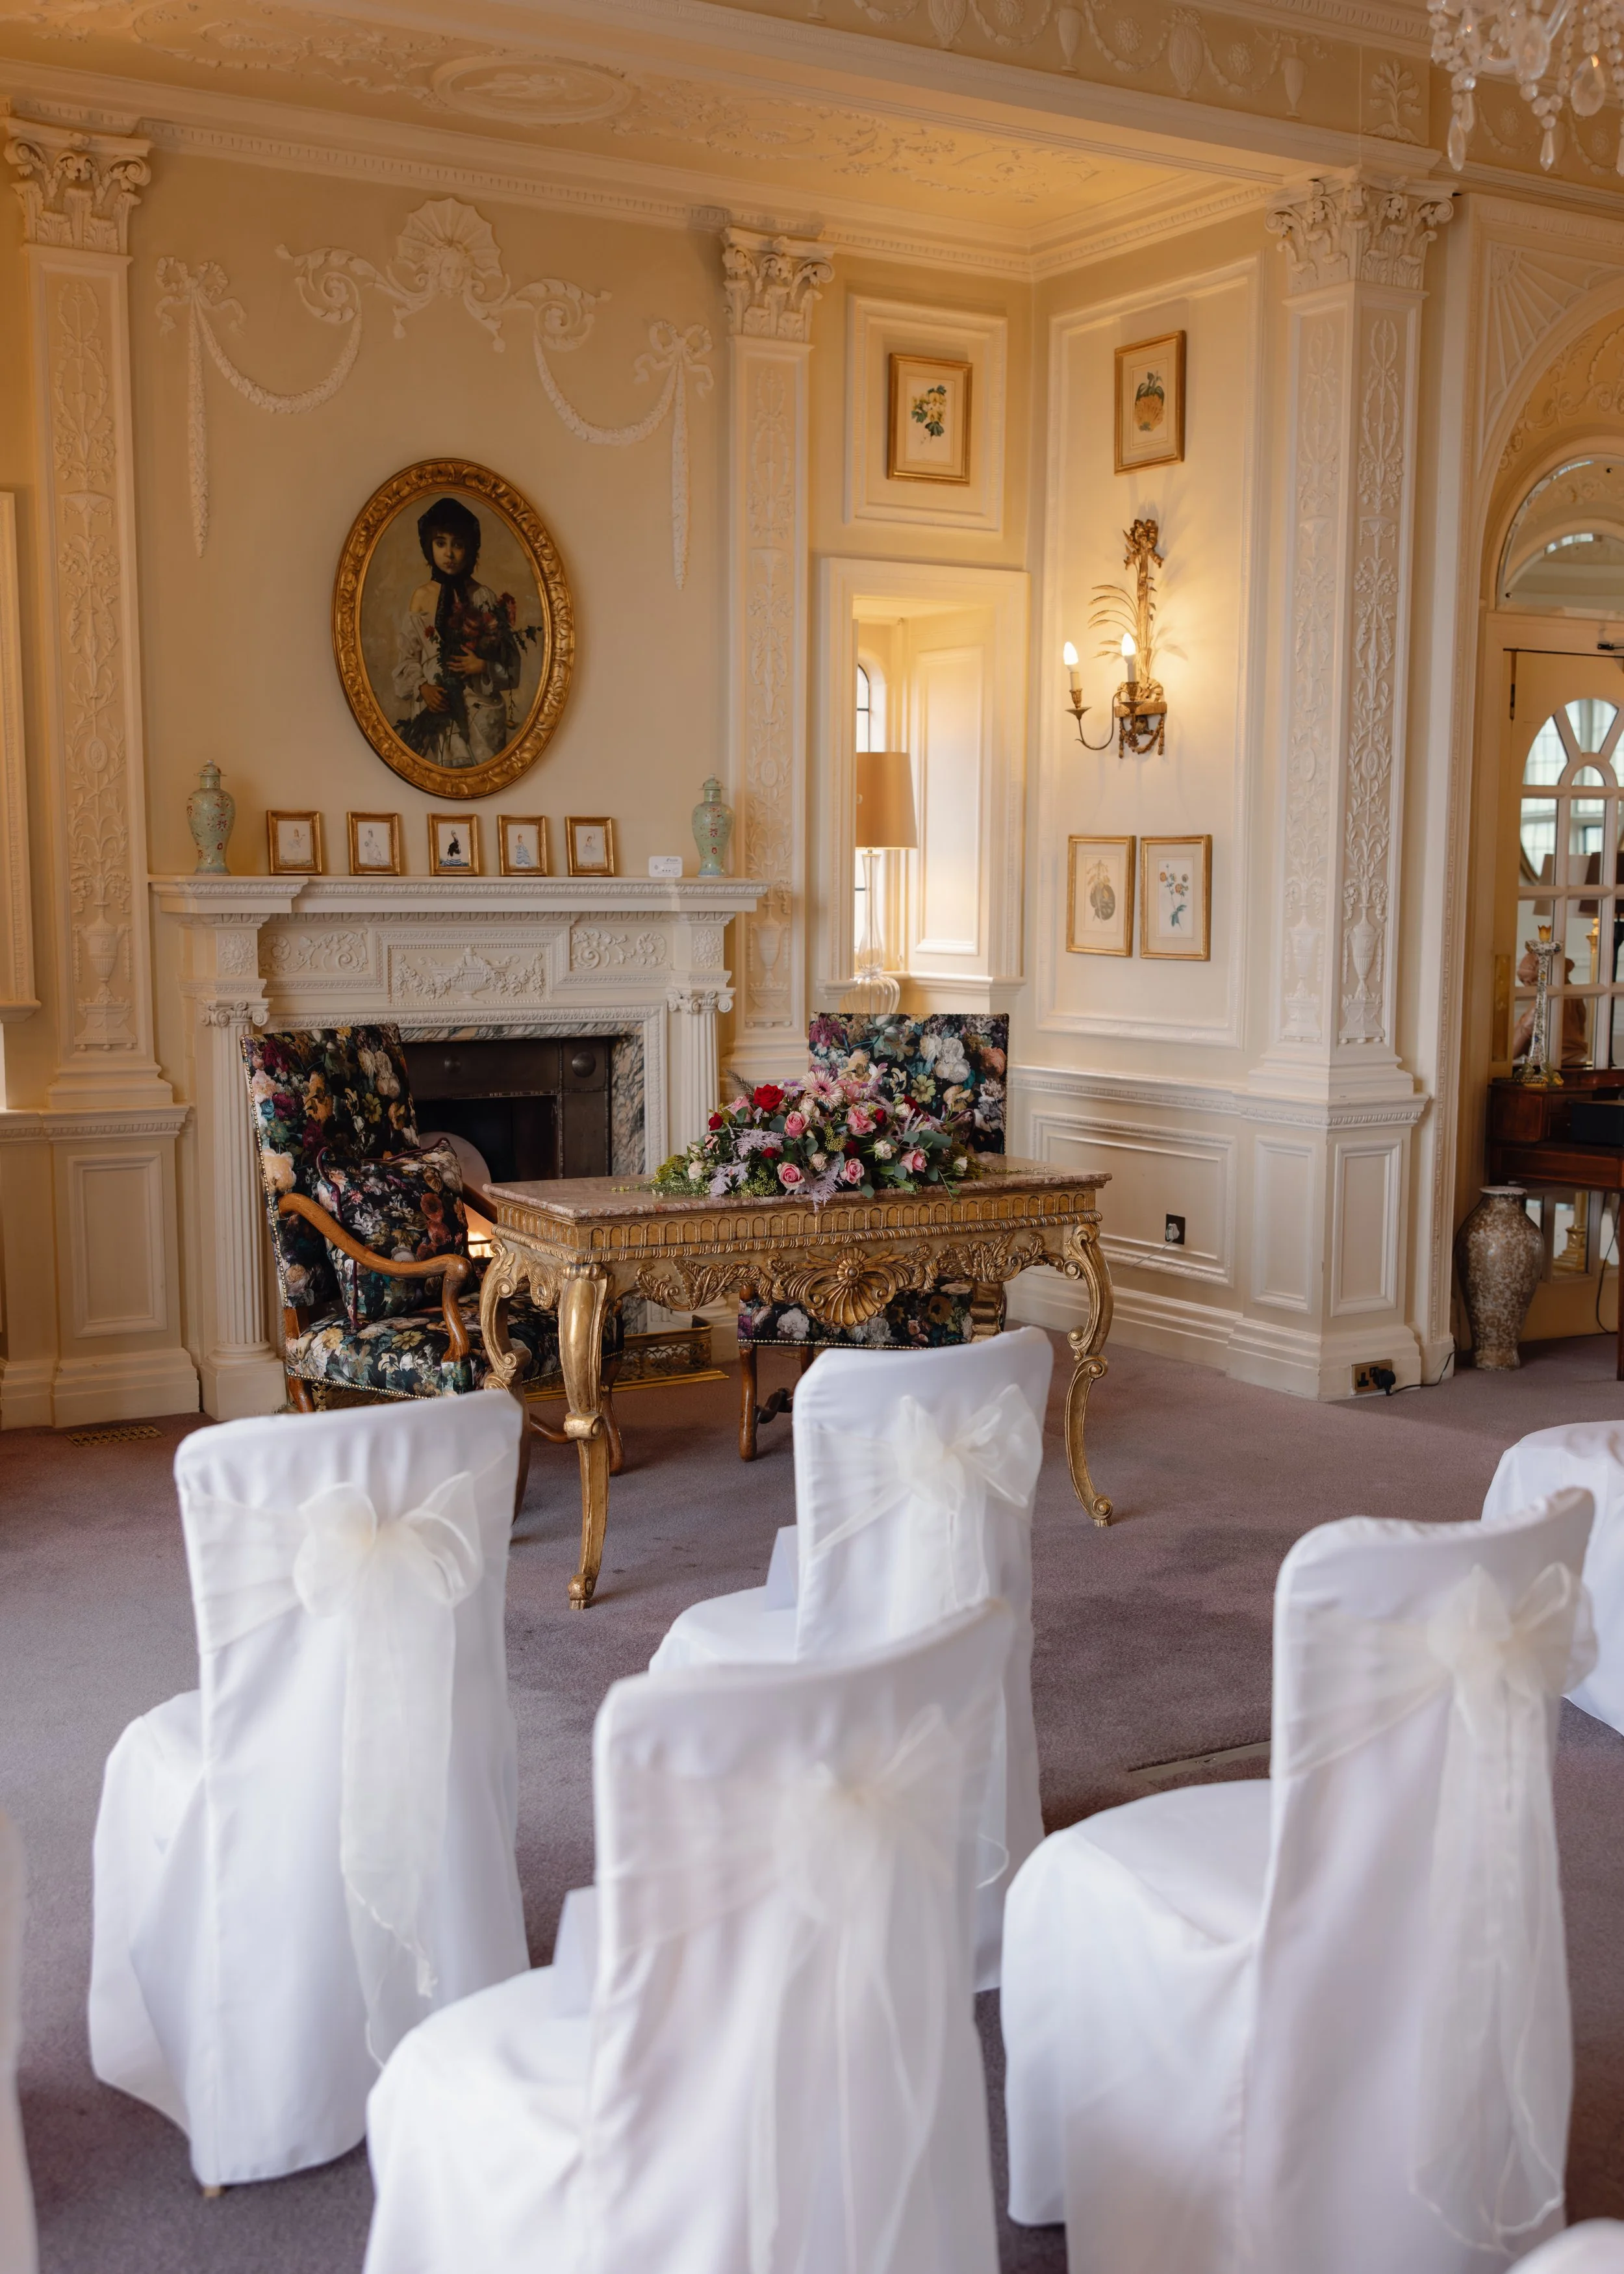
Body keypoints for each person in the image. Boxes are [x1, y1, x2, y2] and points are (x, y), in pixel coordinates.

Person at [392, 497, 527, 769]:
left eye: (458, 544)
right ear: (429, 546)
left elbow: (512, 665)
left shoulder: (483, 596)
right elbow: (407, 659)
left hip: (480, 713)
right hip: (437, 708)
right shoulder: (420, 597)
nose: (449, 554)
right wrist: (424, 688)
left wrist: (483, 665)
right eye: (441, 543)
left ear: (470, 548)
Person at [1511, 945, 1590, 1066]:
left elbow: (1513, 1050)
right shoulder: (1573, 993)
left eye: (1531, 981)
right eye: (1523, 981)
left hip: (1551, 1060)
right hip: (1571, 1057)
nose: (1526, 987)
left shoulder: (1543, 1001)